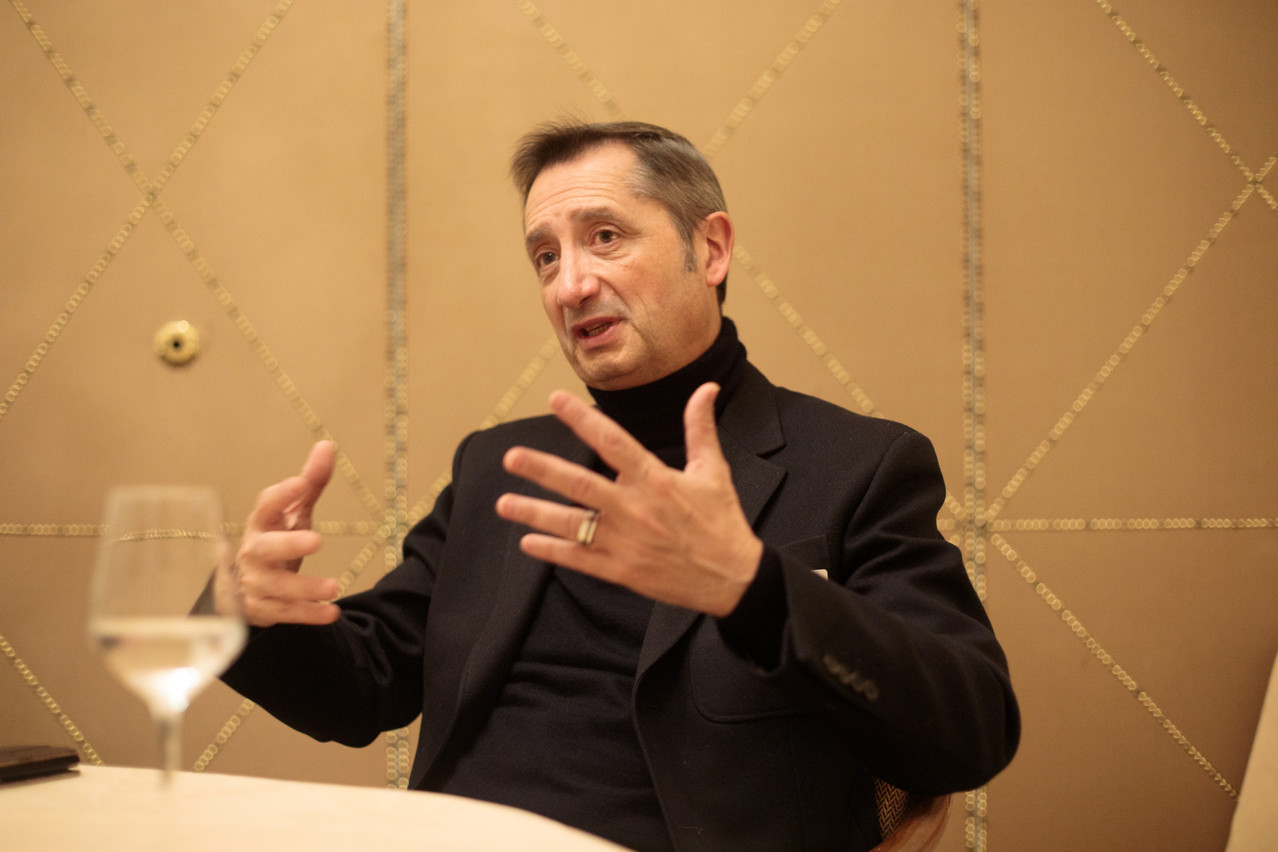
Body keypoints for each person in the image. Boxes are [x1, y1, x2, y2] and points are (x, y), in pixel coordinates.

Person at [214, 121, 1019, 851]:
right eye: (546, 256)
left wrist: (754, 590)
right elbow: (364, 687)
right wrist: (256, 612)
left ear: (711, 251)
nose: (569, 286)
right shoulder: (500, 465)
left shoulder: (855, 466)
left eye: (604, 238)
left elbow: (972, 730)